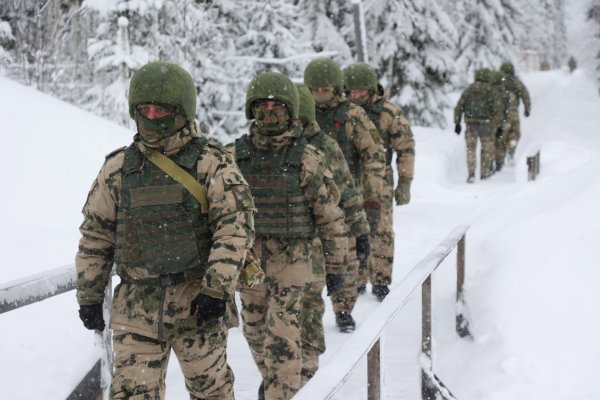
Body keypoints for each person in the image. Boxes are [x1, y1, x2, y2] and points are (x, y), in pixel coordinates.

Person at [75, 61, 255, 400]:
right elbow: (96, 236)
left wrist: (216, 291)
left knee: (212, 394)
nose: (153, 116)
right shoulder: (119, 169)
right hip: (136, 309)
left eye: (162, 109)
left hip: (197, 304)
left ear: (182, 111)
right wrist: (89, 295)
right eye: (145, 109)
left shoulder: (211, 163)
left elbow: (233, 230)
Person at [230, 72, 349, 400]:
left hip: (295, 266)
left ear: (289, 110)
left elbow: (331, 218)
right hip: (251, 267)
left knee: (284, 347)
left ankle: (284, 391)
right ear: (252, 110)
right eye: (262, 105)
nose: (269, 112)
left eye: (276, 105)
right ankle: (281, 385)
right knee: (255, 335)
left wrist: (338, 268)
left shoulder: (306, 157)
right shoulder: (234, 156)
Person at [303, 57, 386, 299]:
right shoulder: (301, 113)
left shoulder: (352, 115)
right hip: (307, 196)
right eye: (314, 90)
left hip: (347, 195)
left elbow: (374, 155)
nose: (319, 94)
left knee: (345, 255)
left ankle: (343, 307)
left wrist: (371, 198)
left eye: (324, 90)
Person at [296, 82, 370, 340]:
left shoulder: (324, 146)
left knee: (343, 264)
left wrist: (360, 231)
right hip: (291, 230)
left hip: (328, 219)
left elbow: (347, 191)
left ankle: (343, 310)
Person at [343, 62, 415, 301]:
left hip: (380, 178)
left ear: (372, 89)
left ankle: (381, 280)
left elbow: (405, 148)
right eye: (352, 92)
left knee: (381, 230)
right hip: (349, 179)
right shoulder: (343, 112)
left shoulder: (388, 113)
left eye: (362, 91)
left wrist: (404, 182)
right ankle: (357, 278)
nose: (357, 96)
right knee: (352, 229)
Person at [454, 68, 501, 183]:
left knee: (471, 149)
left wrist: (457, 123)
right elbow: (497, 110)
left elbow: (459, 107)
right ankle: (484, 172)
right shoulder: (491, 90)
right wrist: (498, 126)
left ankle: (471, 173)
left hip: (470, 125)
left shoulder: (469, 90)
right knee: (486, 149)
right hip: (486, 125)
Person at [499, 61, 531, 162]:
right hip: (513, 112)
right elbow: (525, 94)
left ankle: (500, 155)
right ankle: (511, 151)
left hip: (500, 113)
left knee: (502, 133)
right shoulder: (516, 82)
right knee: (515, 133)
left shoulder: (498, 81)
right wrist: (527, 109)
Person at [491, 70, 511, 172]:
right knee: (501, 143)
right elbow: (508, 109)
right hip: (502, 122)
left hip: (490, 123)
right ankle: (499, 162)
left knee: (491, 143)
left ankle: (490, 163)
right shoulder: (505, 93)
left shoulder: (489, 91)